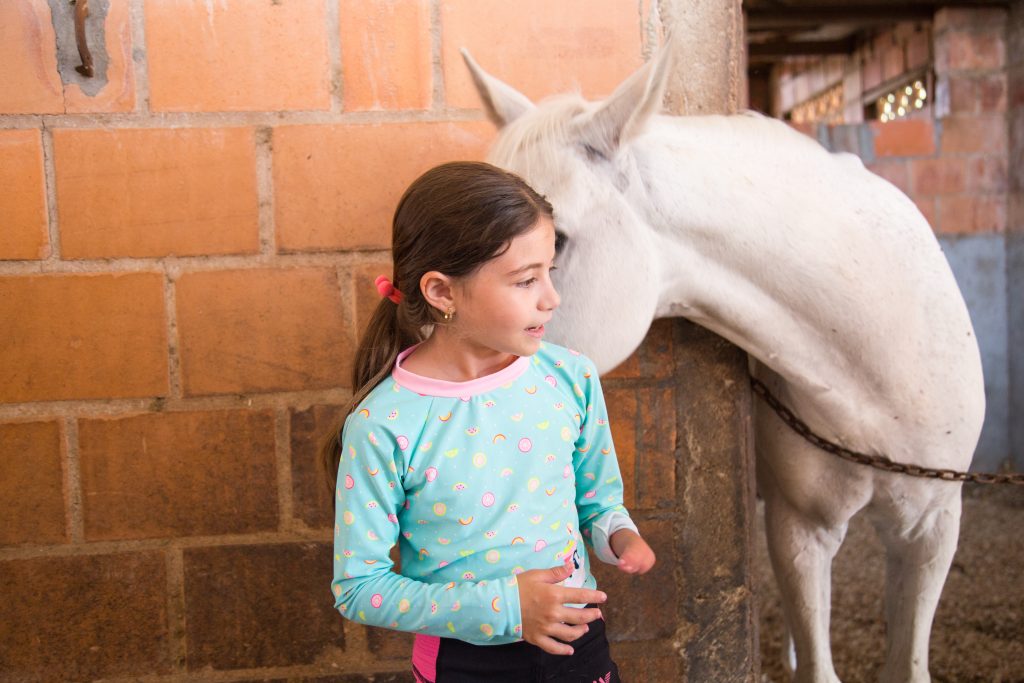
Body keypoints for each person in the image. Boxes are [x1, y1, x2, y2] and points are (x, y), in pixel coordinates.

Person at [320, 161, 656, 682]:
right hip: (463, 664)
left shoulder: (570, 378)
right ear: (442, 293)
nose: (551, 297)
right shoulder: (383, 424)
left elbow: (598, 499)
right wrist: (505, 608)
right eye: (525, 280)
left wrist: (618, 533)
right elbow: (359, 587)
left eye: (550, 271)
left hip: (579, 640)